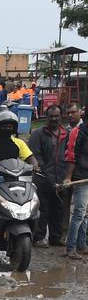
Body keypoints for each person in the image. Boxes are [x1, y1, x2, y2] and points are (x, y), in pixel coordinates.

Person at [28, 105, 66, 246]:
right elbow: (36, 157)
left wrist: (63, 178)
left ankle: (55, 238)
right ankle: (38, 237)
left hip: (60, 179)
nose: (54, 119)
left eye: (57, 116)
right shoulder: (38, 134)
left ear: (61, 117)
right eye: (51, 116)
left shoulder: (65, 134)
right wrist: (49, 178)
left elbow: (68, 156)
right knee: (42, 210)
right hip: (42, 179)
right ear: (46, 116)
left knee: (58, 210)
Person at [65, 109, 88, 258]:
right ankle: (71, 248)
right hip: (81, 176)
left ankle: (82, 245)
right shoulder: (77, 132)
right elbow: (71, 156)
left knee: (86, 214)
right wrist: (68, 177)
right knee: (79, 213)